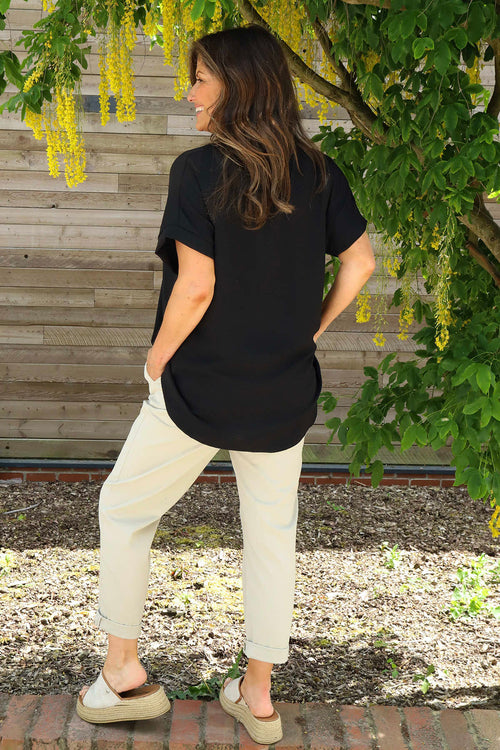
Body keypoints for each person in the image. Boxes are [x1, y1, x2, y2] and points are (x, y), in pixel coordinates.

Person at [76, 23, 375, 745]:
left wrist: (154, 361)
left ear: (237, 88)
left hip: (197, 389)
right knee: (270, 535)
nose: (190, 93)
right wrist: (309, 331)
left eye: (201, 79)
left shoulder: (197, 171)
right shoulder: (320, 172)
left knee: (123, 511)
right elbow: (361, 262)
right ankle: (258, 695)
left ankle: (123, 674)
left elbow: (196, 286)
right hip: (282, 390)